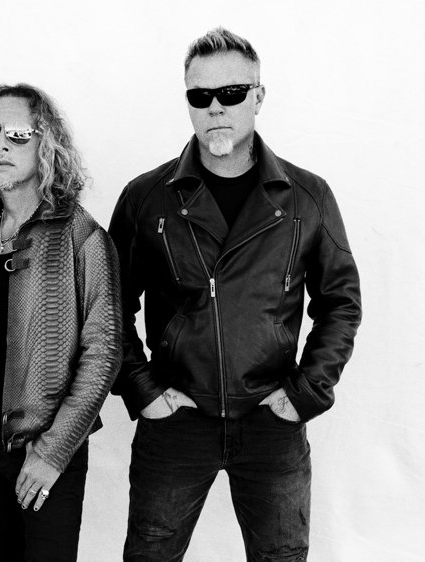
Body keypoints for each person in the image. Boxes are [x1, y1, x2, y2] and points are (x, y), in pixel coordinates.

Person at [108, 28, 362, 561]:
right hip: (176, 421)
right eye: (200, 95)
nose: (215, 108)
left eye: (231, 93)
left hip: (272, 421)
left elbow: (340, 303)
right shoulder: (147, 198)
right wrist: (143, 389)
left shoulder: (306, 197)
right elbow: (108, 308)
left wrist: (305, 393)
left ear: (258, 97)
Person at [0, 83, 123, 561]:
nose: (0, 145)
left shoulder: (82, 236)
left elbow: (104, 353)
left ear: (46, 143)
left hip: (45, 452)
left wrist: (53, 452)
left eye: (18, 134)